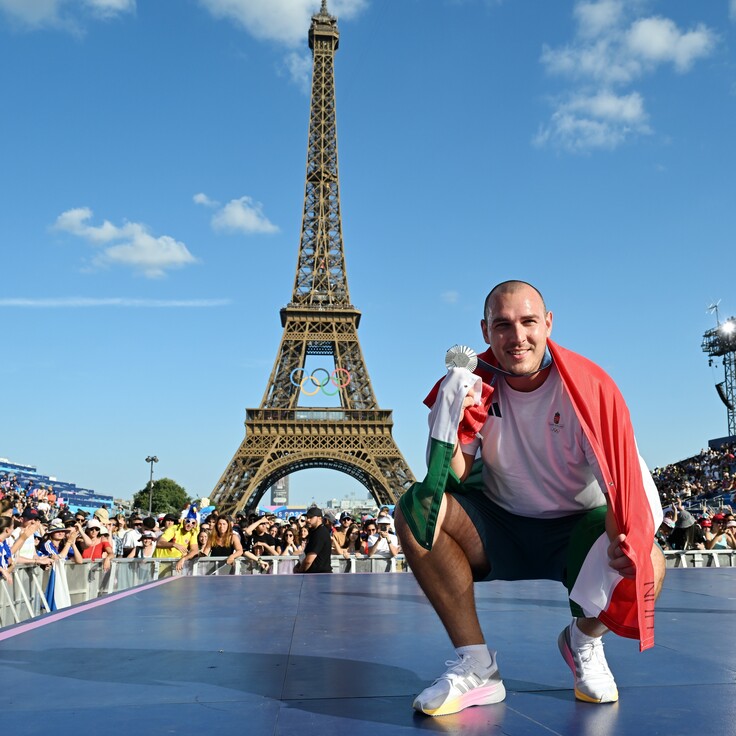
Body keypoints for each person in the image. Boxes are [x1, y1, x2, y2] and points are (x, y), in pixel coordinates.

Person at [397, 280, 666, 716]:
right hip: (500, 524)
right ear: (485, 331)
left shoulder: (586, 388)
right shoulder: (473, 383)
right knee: (415, 509)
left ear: (549, 324)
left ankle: (583, 640)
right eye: (502, 325)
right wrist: (450, 419)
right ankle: (477, 665)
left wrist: (624, 544)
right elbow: (452, 476)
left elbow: (620, 480)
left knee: (647, 560)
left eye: (528, 322)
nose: (516, 336)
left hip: (578, 528)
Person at [293, 507, 332, 573]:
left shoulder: (320, 533)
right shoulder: (313, 532)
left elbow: (309, 560)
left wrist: (300, 571)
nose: (308, 520)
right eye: (307, 517)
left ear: (319, 518)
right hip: (313, 575)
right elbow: (306, 554)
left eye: (311, 517)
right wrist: (298, 565)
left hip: (320, 575)